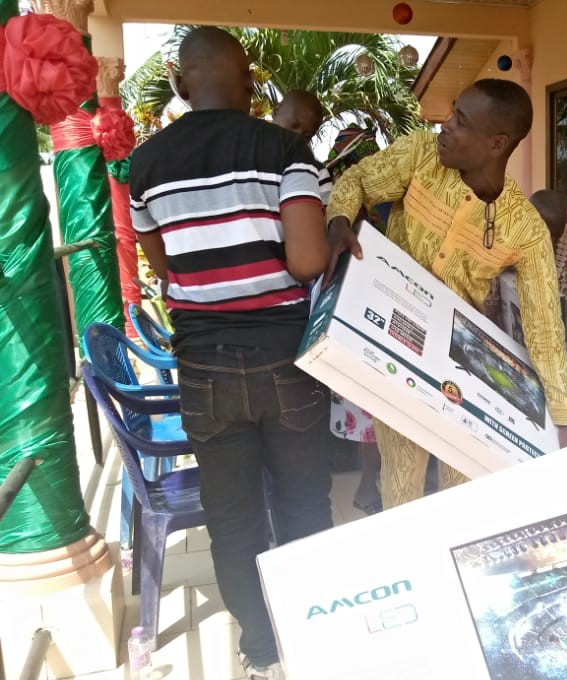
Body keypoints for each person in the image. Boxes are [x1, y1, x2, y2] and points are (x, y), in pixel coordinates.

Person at [129, 27, 335, 680]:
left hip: (204, 367)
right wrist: (330, 234)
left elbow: (162, 266)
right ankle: (315, 632)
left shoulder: (146, 163)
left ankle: (262, 649)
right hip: (286, 361)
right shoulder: (285, 150)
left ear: (183, 85)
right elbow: (306, 262)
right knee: (305, 502)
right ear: (250, 84)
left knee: (234, 519)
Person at [325, 78, 567, 510]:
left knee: (460, 486)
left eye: (461, 121)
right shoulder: (421, 154)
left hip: (461, 367)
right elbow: (358, 182)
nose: (445, 125)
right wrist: (339, 223)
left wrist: (563, 413)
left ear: (497, 143)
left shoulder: (525, 228)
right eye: (452, 113)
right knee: (401, 480)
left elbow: (543, 326)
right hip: (395, 345)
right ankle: (406, 567)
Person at [270, 89, 385, 516]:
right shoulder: (252, 165)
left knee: (330, 400)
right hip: (275, 311)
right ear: (274, 114)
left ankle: (360, 481)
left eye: (307, 129)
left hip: (318, 301)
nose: (298, 133)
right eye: (292, 122)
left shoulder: (320, 179)